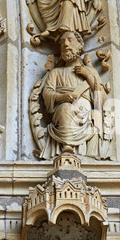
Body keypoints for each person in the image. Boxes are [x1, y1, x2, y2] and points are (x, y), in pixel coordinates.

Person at [40, 31, 108, 159]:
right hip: (63, 108)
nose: (65, 44)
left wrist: (88, 75)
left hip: (85, 110)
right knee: (66, 108)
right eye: (62, 42)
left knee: (86, 110)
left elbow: (102, 97)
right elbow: (47, 93)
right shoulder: (56, 72)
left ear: (80, 45)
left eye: (70, 40)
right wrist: (62, 97)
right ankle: (68, 145)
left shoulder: (91, 71)